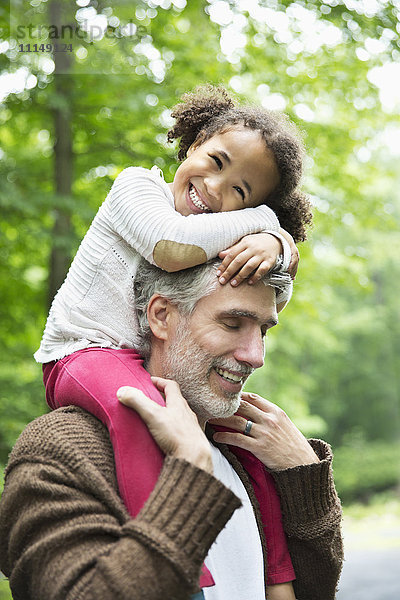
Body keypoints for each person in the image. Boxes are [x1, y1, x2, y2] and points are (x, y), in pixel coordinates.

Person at [32, 84, 312, 573]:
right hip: (83, 352)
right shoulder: (138, 189)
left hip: (141, 363)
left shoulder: (219, 237)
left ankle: (278, 574)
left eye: (241, 191)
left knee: (247, 445)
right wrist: (264, 220)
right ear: (194, 142)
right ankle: (186, 566)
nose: (216, 187)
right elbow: (170, 245)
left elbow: (274, 293)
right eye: (217, 160)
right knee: (138, 414)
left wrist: (279, 247)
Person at [0, 257, 343, 600]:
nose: (256, 356)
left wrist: (305, 478)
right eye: (233, 323)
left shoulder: (245, 456)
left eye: (264, 331)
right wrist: (189, 475)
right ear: (161, 316)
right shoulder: (60, 448)